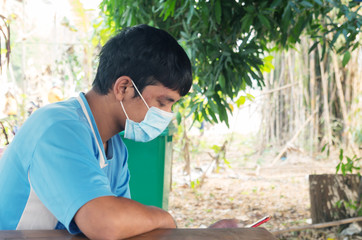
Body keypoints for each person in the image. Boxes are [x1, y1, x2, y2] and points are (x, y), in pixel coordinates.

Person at [0, 25, 274, 240]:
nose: (166, 114)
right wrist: (167, 219)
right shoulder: (58, 127)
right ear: (123, 88)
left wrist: (202, 234)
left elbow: (128, 228)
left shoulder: (114, 147)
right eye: (162, 102)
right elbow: (106, 223)